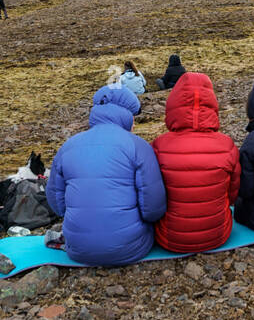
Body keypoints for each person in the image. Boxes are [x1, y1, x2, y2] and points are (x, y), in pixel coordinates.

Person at [46, 85, 166, 266]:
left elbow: (57, 203)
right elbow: (153, 209)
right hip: (130, 248)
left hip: (78, 249)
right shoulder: (138, 146)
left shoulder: (68, 146)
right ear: (127, 116)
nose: (134, 124)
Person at [151, 73, 240, 253]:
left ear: (173, 106)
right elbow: (232, 195)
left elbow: (153, 199)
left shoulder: (159, 145)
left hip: (170, 239)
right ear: (213, 106)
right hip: (218, 236)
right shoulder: (227, 144)